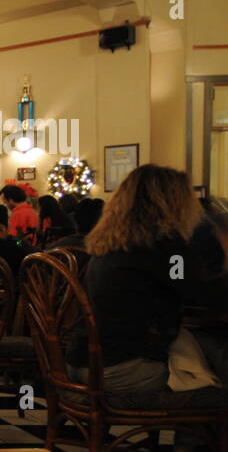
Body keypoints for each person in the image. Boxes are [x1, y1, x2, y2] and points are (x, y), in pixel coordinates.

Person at [67, 165, 228, 397]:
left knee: (205, 350)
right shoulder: (166, 248)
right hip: (122, 371)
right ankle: (201, 426)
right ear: (175, 202)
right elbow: (205, 295)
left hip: (81, 363)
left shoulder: (111, 243)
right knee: (217, 361)